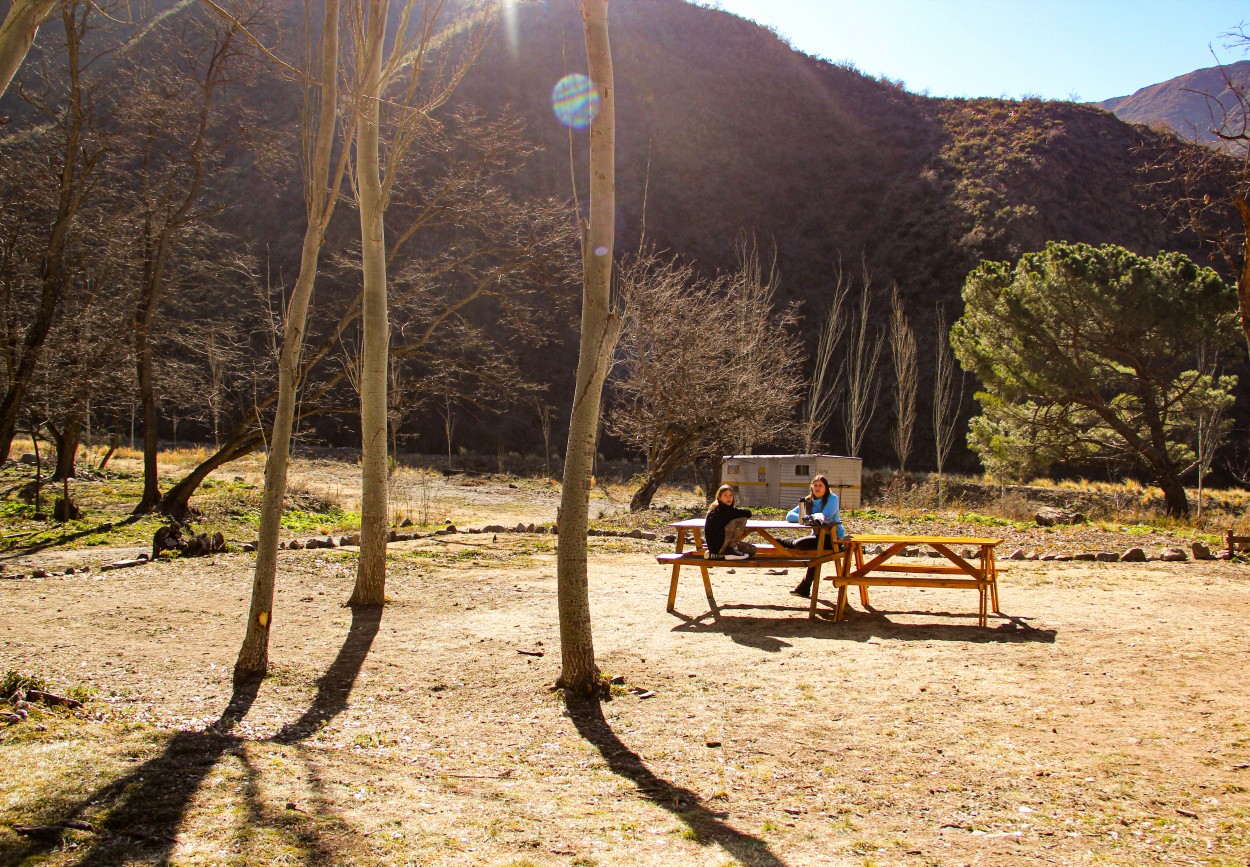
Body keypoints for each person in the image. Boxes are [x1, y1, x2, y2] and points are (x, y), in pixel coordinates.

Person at [784, 474, 848, 597]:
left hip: (834, 539)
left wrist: (805, 518)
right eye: (815, 485)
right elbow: (789, 515)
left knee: (800, 544)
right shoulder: (808, 501)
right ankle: (804, 587)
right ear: (811, 487)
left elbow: (824, 517)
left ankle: (804, 586)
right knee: (814, 553)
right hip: (818, 538)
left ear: (826, 487)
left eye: (821, 485)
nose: (817, 488)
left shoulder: (832, 499)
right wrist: (807, 518)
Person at [704, 484, 756, 560]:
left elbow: (747, 513)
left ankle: (719, 555)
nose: (729, 498)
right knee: (742, 519)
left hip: (724, 544)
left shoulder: (729, 510)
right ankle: (730, 550)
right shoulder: (719, 510)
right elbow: (747, 513)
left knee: (752, 550)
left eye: (731, 495)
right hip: (718, 546)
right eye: (725, 495)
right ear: (719, 497)